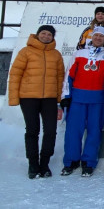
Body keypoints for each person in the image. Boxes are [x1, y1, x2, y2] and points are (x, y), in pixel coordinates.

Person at [8, 25, 65, 179]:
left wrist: (59, 98)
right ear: (38, 34)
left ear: (53, 37)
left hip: (50, 99)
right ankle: (33, 164)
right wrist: (14, 98)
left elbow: (60, 78)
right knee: (33, 131)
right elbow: (15, 75)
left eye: (49, 34)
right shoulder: (26, 52)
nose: (46, 36)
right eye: (43, 33)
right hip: (28, 98)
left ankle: (45, 163)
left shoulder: (56, 54)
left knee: (51, 131)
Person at [60, 26, 104, 177]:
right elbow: (68, 77)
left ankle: (89, 162)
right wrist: (65, 97)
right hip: (78, 99)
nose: (98, 38)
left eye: (101, 37)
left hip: (98, 100)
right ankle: (71, 161)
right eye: (96, 36)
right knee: (73, 132)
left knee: (94, 132)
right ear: (92, 37)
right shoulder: (79, 54)